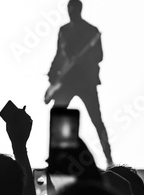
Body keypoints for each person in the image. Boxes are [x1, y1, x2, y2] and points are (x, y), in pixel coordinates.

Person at [47, 0, 113, 166]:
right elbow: (59, 54)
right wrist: (53, 72)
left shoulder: (91, 31)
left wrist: (83, 59)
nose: (71, 11)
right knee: (58, 117)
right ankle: (58, 157)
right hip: (66, 83)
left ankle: (109, 158)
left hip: (85, 82)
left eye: (74, 8)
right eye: (69, 8)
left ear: (79, 9)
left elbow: (99, 56)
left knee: (96, 120)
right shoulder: (64, 30)